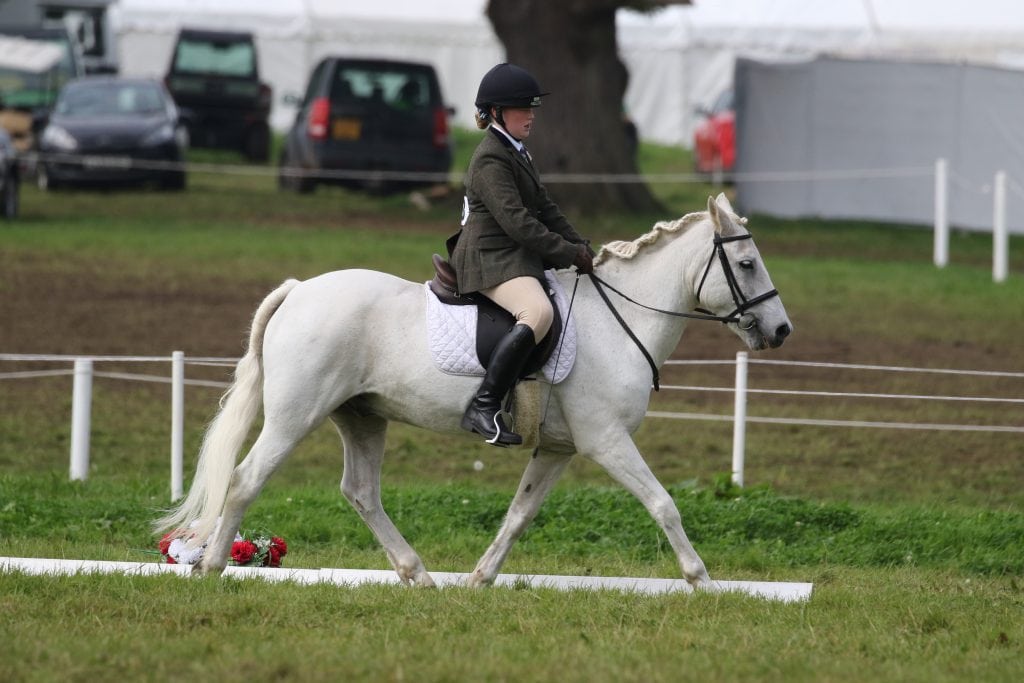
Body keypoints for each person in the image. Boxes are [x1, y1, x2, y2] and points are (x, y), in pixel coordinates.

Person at [449, 62, 595, 447]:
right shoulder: (490, 159)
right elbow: (517, 223)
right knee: (539, 313)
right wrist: (565, 253)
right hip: (488, 258)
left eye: (532, 108)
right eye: (522, 108)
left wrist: (580, 245)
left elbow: (545, 208)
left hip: (511, 254)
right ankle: (484, 404)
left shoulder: (518, 152)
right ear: (497, 112)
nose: (531, 115)